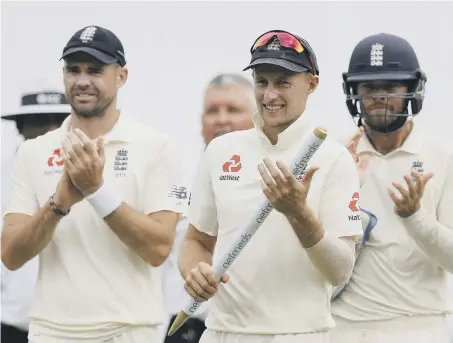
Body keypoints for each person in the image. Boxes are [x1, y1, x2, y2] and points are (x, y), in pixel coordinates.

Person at [177, 29, 363, 343]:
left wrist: (298, 214)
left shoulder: (334, 158)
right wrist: (194, 272)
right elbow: (196, 239)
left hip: (301, 334)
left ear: (312, 84)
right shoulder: (221, 150)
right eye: (262, 82)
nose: (270, 95)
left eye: (283, 82)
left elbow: (340, 270)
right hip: (223, 333)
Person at [1, 25, 185, 343]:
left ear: (122, 76)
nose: (83, 80)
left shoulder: (157, 147)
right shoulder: (34, 151)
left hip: (132, 331)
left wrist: (97, 192)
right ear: (64, 76)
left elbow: (158, 249)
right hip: (52, 331)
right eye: (73, 70)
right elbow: (11, 255)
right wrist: (58, 206)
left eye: (96, 70)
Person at [330, 33, 453, 343]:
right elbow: (313, 252)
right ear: (354, 90)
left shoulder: (443, 158)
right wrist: (343, 197)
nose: (379, 96)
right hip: (344, 326)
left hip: (421, 326)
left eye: (391, 86)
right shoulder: (336, 156)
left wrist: (414, 217)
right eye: (370, 87)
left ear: (413, 89)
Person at [161, 73, 255, 343]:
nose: (221, 119)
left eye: (233, 110)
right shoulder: (179, 180)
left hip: (250, 327)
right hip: (185, 326)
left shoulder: (273, 180)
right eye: (212, 111)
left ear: (256, 116)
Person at [1, 90, 70, 343]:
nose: (51, 128)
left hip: (73, 325)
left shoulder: (86, 174)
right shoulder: (3, 177)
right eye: (40, 120)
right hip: (14, 322)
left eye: (58, 119)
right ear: (20, 126)